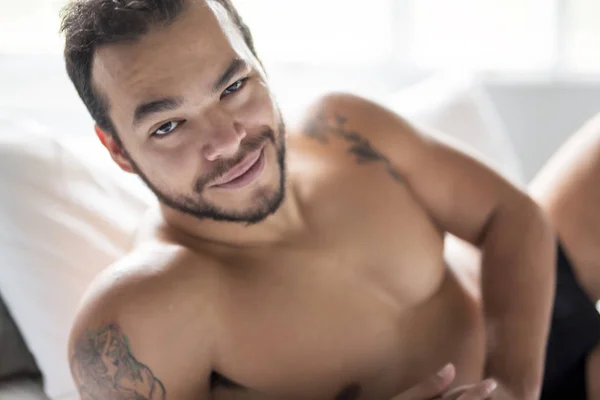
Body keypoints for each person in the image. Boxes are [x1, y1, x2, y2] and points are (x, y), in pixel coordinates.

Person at [58, 0, 599, 399]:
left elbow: (510, 215)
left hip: (524, 331)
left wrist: (511, 383)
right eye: (170, 125)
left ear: (259, 63)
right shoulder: (138, 319)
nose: (227, 140)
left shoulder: (344, 128)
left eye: (232, 88)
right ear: (117, 150)